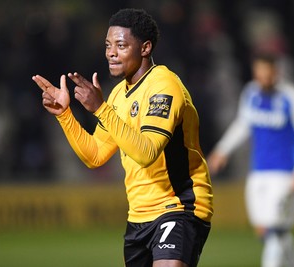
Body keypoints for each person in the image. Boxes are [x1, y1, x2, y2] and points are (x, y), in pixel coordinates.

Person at [33, 8, 213, 267]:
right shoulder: (118, 94)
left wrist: (100, 109)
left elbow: (147, 153)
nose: (111, 53)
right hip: (138, 216)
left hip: (179, 206)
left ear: (145, 48)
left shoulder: (164, 86)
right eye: (108, 45)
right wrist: (65, 115)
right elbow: (95, 155)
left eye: (120, 45)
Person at [207, 53, 294, 267]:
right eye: (259, 72)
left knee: (275, 229)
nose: (262, 77)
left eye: (267, 72)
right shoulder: (251, 93)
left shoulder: (291, 97)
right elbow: (243, 124)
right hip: (258, 172)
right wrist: (222, 150)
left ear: (276, 72)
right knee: (266, 231)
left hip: (285, 173)